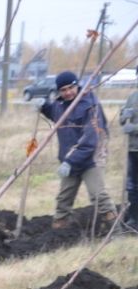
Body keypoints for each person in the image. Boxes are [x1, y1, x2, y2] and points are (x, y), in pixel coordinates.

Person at [36, 70, 116, 229]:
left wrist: (70, 161)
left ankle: (116, 231)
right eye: (63, 90)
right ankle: (59, 232)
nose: (68, 93)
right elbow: (57, 115)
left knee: (98, 196)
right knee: (64, 199)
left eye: (70, 88)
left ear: (77, 86)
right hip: (69, 160)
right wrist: (44, 107)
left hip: (90, 159)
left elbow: (90, 139)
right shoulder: (60, 105)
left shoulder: (90, 106)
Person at [119, 66, 138, 228]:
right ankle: (134, 218)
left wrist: (135, 129)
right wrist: (123, 116)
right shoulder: (132, 97)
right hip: (133, 150)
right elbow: (122, 119)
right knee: (132, 185)